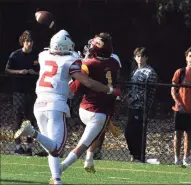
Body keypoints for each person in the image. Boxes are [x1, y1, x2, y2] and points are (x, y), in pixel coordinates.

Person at [14, 30, 121, 185]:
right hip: (57, 105)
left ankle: (57, 179)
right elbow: (87, 82)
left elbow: (72, 78)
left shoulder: (43, 56)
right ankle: (33, 133)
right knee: (56, 148)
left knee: (51, 148)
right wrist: (110, 90)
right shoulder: (74, 60)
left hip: (39, 104)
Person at [60, 32, 121, 174]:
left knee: (95, 133)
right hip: (99, 112)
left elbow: (76, 87)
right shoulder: (114, 62)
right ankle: (61, 168)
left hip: (85, 108)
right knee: (82, 145)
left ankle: (89, 159)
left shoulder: (88, 63)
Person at [5, 30, 39, 156]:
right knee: (18, 119)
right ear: (22, 42)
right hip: (19, 91)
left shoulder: (37, 55)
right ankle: (18, 147)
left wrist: (34, 73)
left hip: (32, 91)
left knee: (31, 119)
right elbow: (7, 70)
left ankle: (29, 147)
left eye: (31, 41)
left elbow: (42, 72)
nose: (29, 44)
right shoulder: (15, 55)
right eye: (27, 41)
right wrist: (20, 72)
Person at [124, 47, 157, 162]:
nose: (140, 58)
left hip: (141, 107)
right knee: (128, 132)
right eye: (138, 56)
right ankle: (134, 154)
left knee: (138, 133)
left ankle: (139, 157)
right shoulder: (134, 71)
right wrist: (127, 98)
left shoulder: (150, 72)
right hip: (132, 107)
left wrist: (134, 100)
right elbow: (130, 88)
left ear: (146, 57)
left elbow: (148, 93)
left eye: (142, 56)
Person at [171, 47, 191, 166]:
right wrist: (178, 103)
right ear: (186, 57)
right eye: (190, 56)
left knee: (189, 134)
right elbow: (173, 89)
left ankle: (186, 158)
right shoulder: (180, 72)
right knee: (178, 134)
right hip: (180, 108)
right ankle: (176, 158)